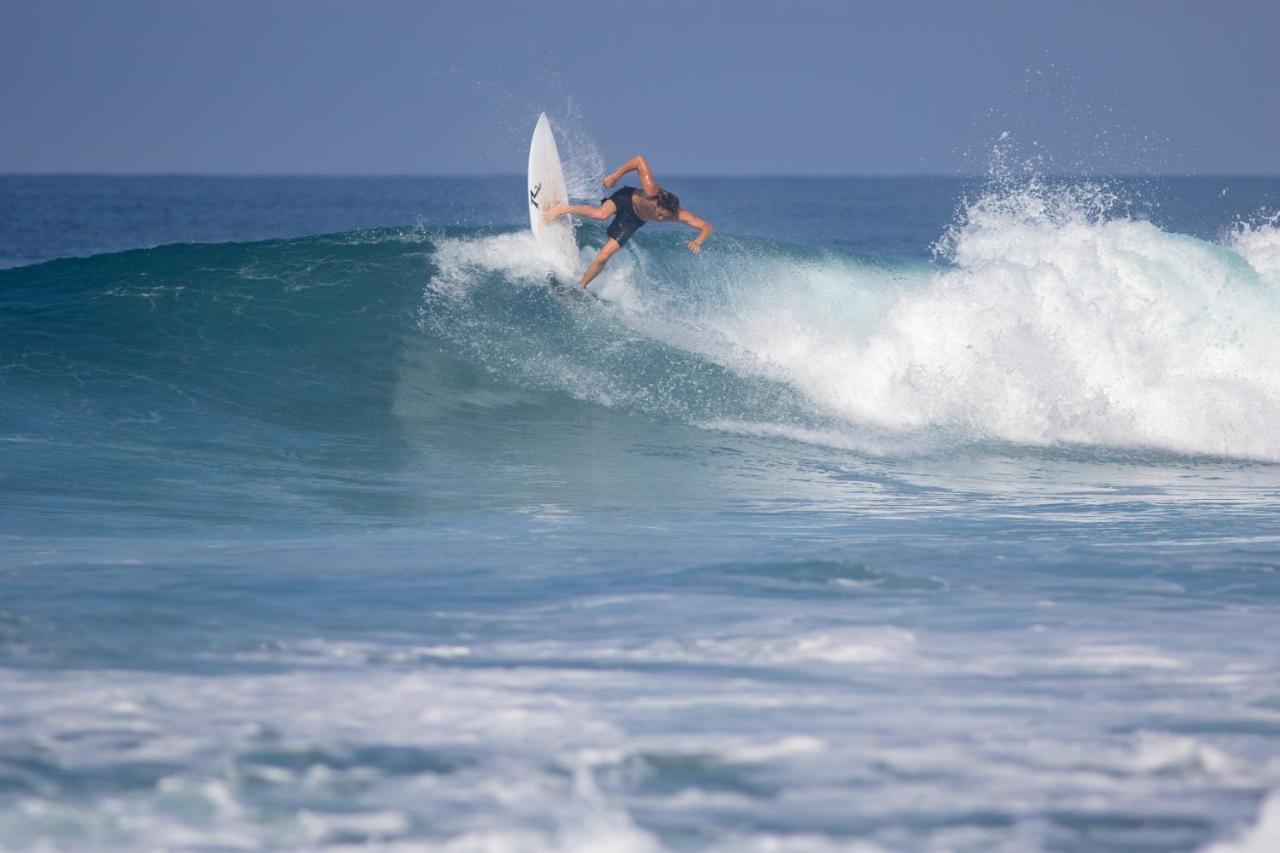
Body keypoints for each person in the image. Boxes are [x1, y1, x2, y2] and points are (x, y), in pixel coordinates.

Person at [544, 154, 713, 288]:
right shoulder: (651, 190)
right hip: (625, 199)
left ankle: (580, 286)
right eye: (659, 213)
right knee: (601, 214)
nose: (660, 219)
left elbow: (706, 226)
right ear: (657, 202)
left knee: (604, 256)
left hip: (634, 220)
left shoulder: (677, 214)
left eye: (665, 217)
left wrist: (698, 241)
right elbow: (639, 160)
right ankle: (562, 209)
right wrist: (615, 176)